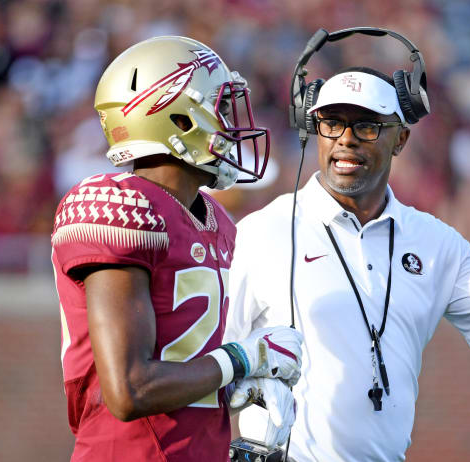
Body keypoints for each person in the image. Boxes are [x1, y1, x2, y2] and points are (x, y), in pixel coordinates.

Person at [224, 66, 470, 461]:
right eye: (331, 123)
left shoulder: (436, 243)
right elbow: (210, 365)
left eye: (366, 126)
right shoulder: (262, 232)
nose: (345, 140)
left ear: (400, 139)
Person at [50, 36, 303, 462]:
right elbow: (130, 390)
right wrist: (241, 359)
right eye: (221, 108)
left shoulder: (218, 221)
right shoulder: (120, 207)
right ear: (180, 119)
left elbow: (196, 358)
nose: (231, 124)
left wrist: (241, 383)